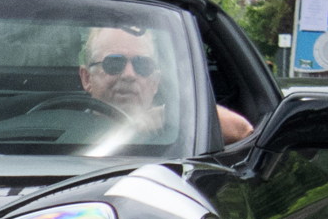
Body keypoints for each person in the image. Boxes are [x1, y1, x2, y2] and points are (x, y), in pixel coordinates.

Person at [78, 26, 252, 143]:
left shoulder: (175, 131)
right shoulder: (64, 132)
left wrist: (169, 115)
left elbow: (243, 130)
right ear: (86, 78)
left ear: (155, 83)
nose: (129, 75)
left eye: (142, 65)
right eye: (114, 63)